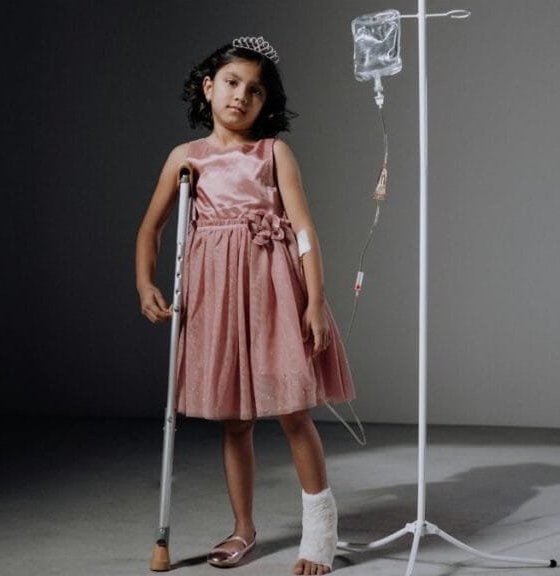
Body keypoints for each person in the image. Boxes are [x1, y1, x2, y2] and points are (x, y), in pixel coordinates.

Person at [135, 36, 355, 575]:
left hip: (274, 289)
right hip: (216, 295)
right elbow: (152, 229)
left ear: (265, 103)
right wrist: (145, 284)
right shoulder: (185, 158)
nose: (241, 96)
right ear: (209, 88)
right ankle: (243, 527)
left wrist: (316, 299)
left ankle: (319, 529)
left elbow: (304, 229)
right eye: (232, 83)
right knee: (235, 421)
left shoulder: (273, 153)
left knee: (292, 409)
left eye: (254, 90)